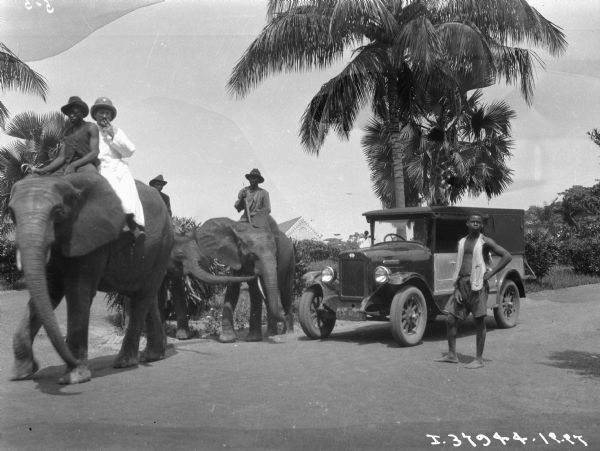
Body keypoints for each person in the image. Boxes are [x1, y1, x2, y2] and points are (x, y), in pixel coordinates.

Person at [436, 212, 512, 369]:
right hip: (462, 284)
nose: (476, 224)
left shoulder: (485, 241)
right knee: (450, 319)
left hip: (477, 285)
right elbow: (458, 265)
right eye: (473, 221)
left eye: (479, 222)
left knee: (479, 322)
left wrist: (490, 273)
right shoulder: (462, 242)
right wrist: (456, 287)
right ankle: (452, 355)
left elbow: (506, 256)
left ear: (482, 225)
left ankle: (479, 359)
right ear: (467, 224)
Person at [91, 96, 145, 239]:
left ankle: (131, 222)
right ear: (95, 114)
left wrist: (112, 135)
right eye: (101, 112)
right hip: (100, 167)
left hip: (118, 166)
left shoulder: (117, 131)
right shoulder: (90, 130)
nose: (104, 116)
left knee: (128, 186)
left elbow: (129, 151)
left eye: (107, 113)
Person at [32, 96, 100, 175]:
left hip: (85, 164)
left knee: (93, 178)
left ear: (81, 112)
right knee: (49, 180)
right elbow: (61, 158)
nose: (71, 115)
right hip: (67, 166)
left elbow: (94, 153)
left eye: (74, 112)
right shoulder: (67, 133)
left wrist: (74, 165)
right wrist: (42, 170)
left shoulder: (91, 127)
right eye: (69, 113)